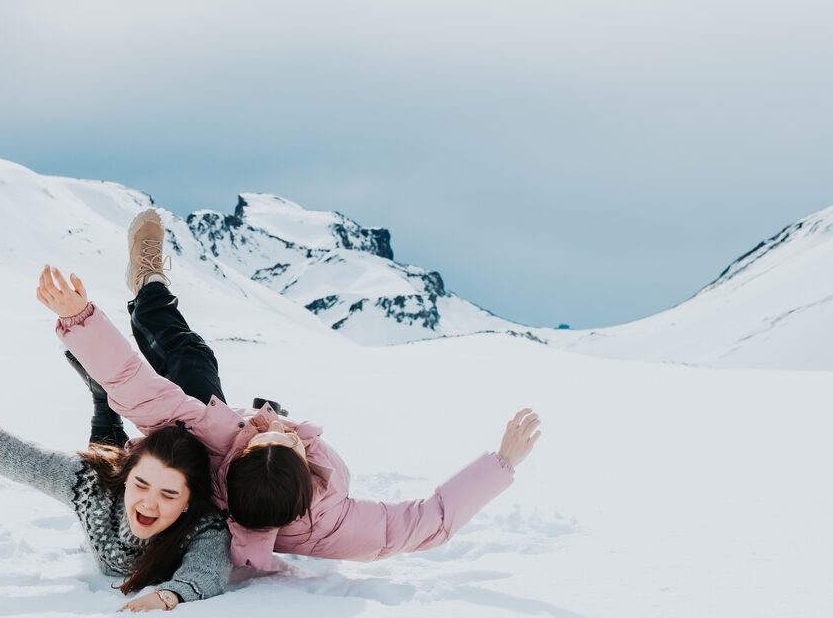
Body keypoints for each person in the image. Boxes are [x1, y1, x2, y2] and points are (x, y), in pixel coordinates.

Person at [42, 209, 542, 575]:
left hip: (181, 451)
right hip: (215, 449)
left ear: (234, 460)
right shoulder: (333, 523)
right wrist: (501, 464)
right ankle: (142, 297)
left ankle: (147, 287)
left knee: (167, 378)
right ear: (308, 473)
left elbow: (138, 386)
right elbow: (423, 523)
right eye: (286, 436)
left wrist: (79, 319)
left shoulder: (215, 445)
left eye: (269, 436)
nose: (277, 427)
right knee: (194, 363)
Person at [0, 341, 231, 611]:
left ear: (189, 500)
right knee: (103, 450)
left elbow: (208, 569)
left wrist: (170, 595)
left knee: (106, 439)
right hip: (111, 470)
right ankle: (104, 398)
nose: (150, 502)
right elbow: (19, 456)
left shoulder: (203, 524)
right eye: (141, 484)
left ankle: (103, 397)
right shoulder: (92, 488)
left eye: (169, 495)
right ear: (127, 476)